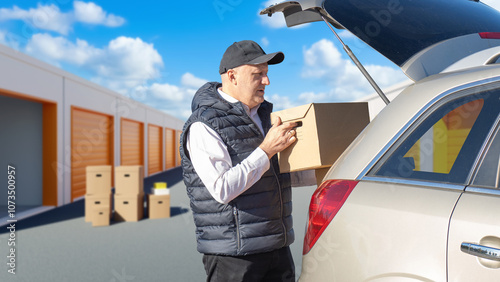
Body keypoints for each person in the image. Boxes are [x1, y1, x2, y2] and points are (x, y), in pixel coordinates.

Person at [179, 40, 298, 282]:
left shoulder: (266, 117)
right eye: (258, 74)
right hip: (235, 256)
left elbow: (275, 173)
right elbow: (222, 188)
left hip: (277, 245)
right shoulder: (204, 124)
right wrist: (266, 150)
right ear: (232, 77)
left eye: (266, 74)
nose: (267, 82)